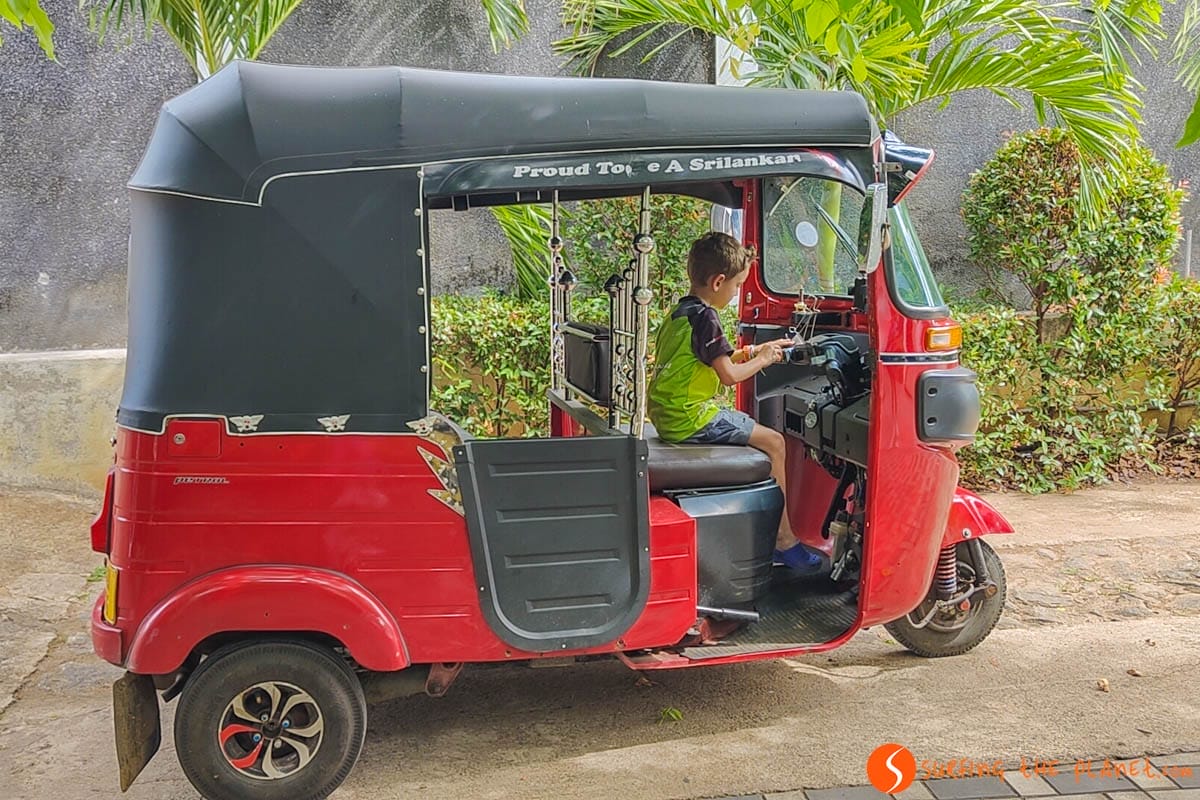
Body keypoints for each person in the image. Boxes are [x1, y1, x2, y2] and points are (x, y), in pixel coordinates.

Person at [647, 231, 823, 573]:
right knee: (774, 442)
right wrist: (767, 359)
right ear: (718, 282)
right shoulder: (706, 317)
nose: (737, 292)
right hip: (690, 418)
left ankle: (770, 533)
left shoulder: (681, 313)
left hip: (670, 415)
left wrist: (752, 351)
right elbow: (728, 376)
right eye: (738, 285)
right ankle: (784, 541)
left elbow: (710, 359)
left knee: (752, 430)